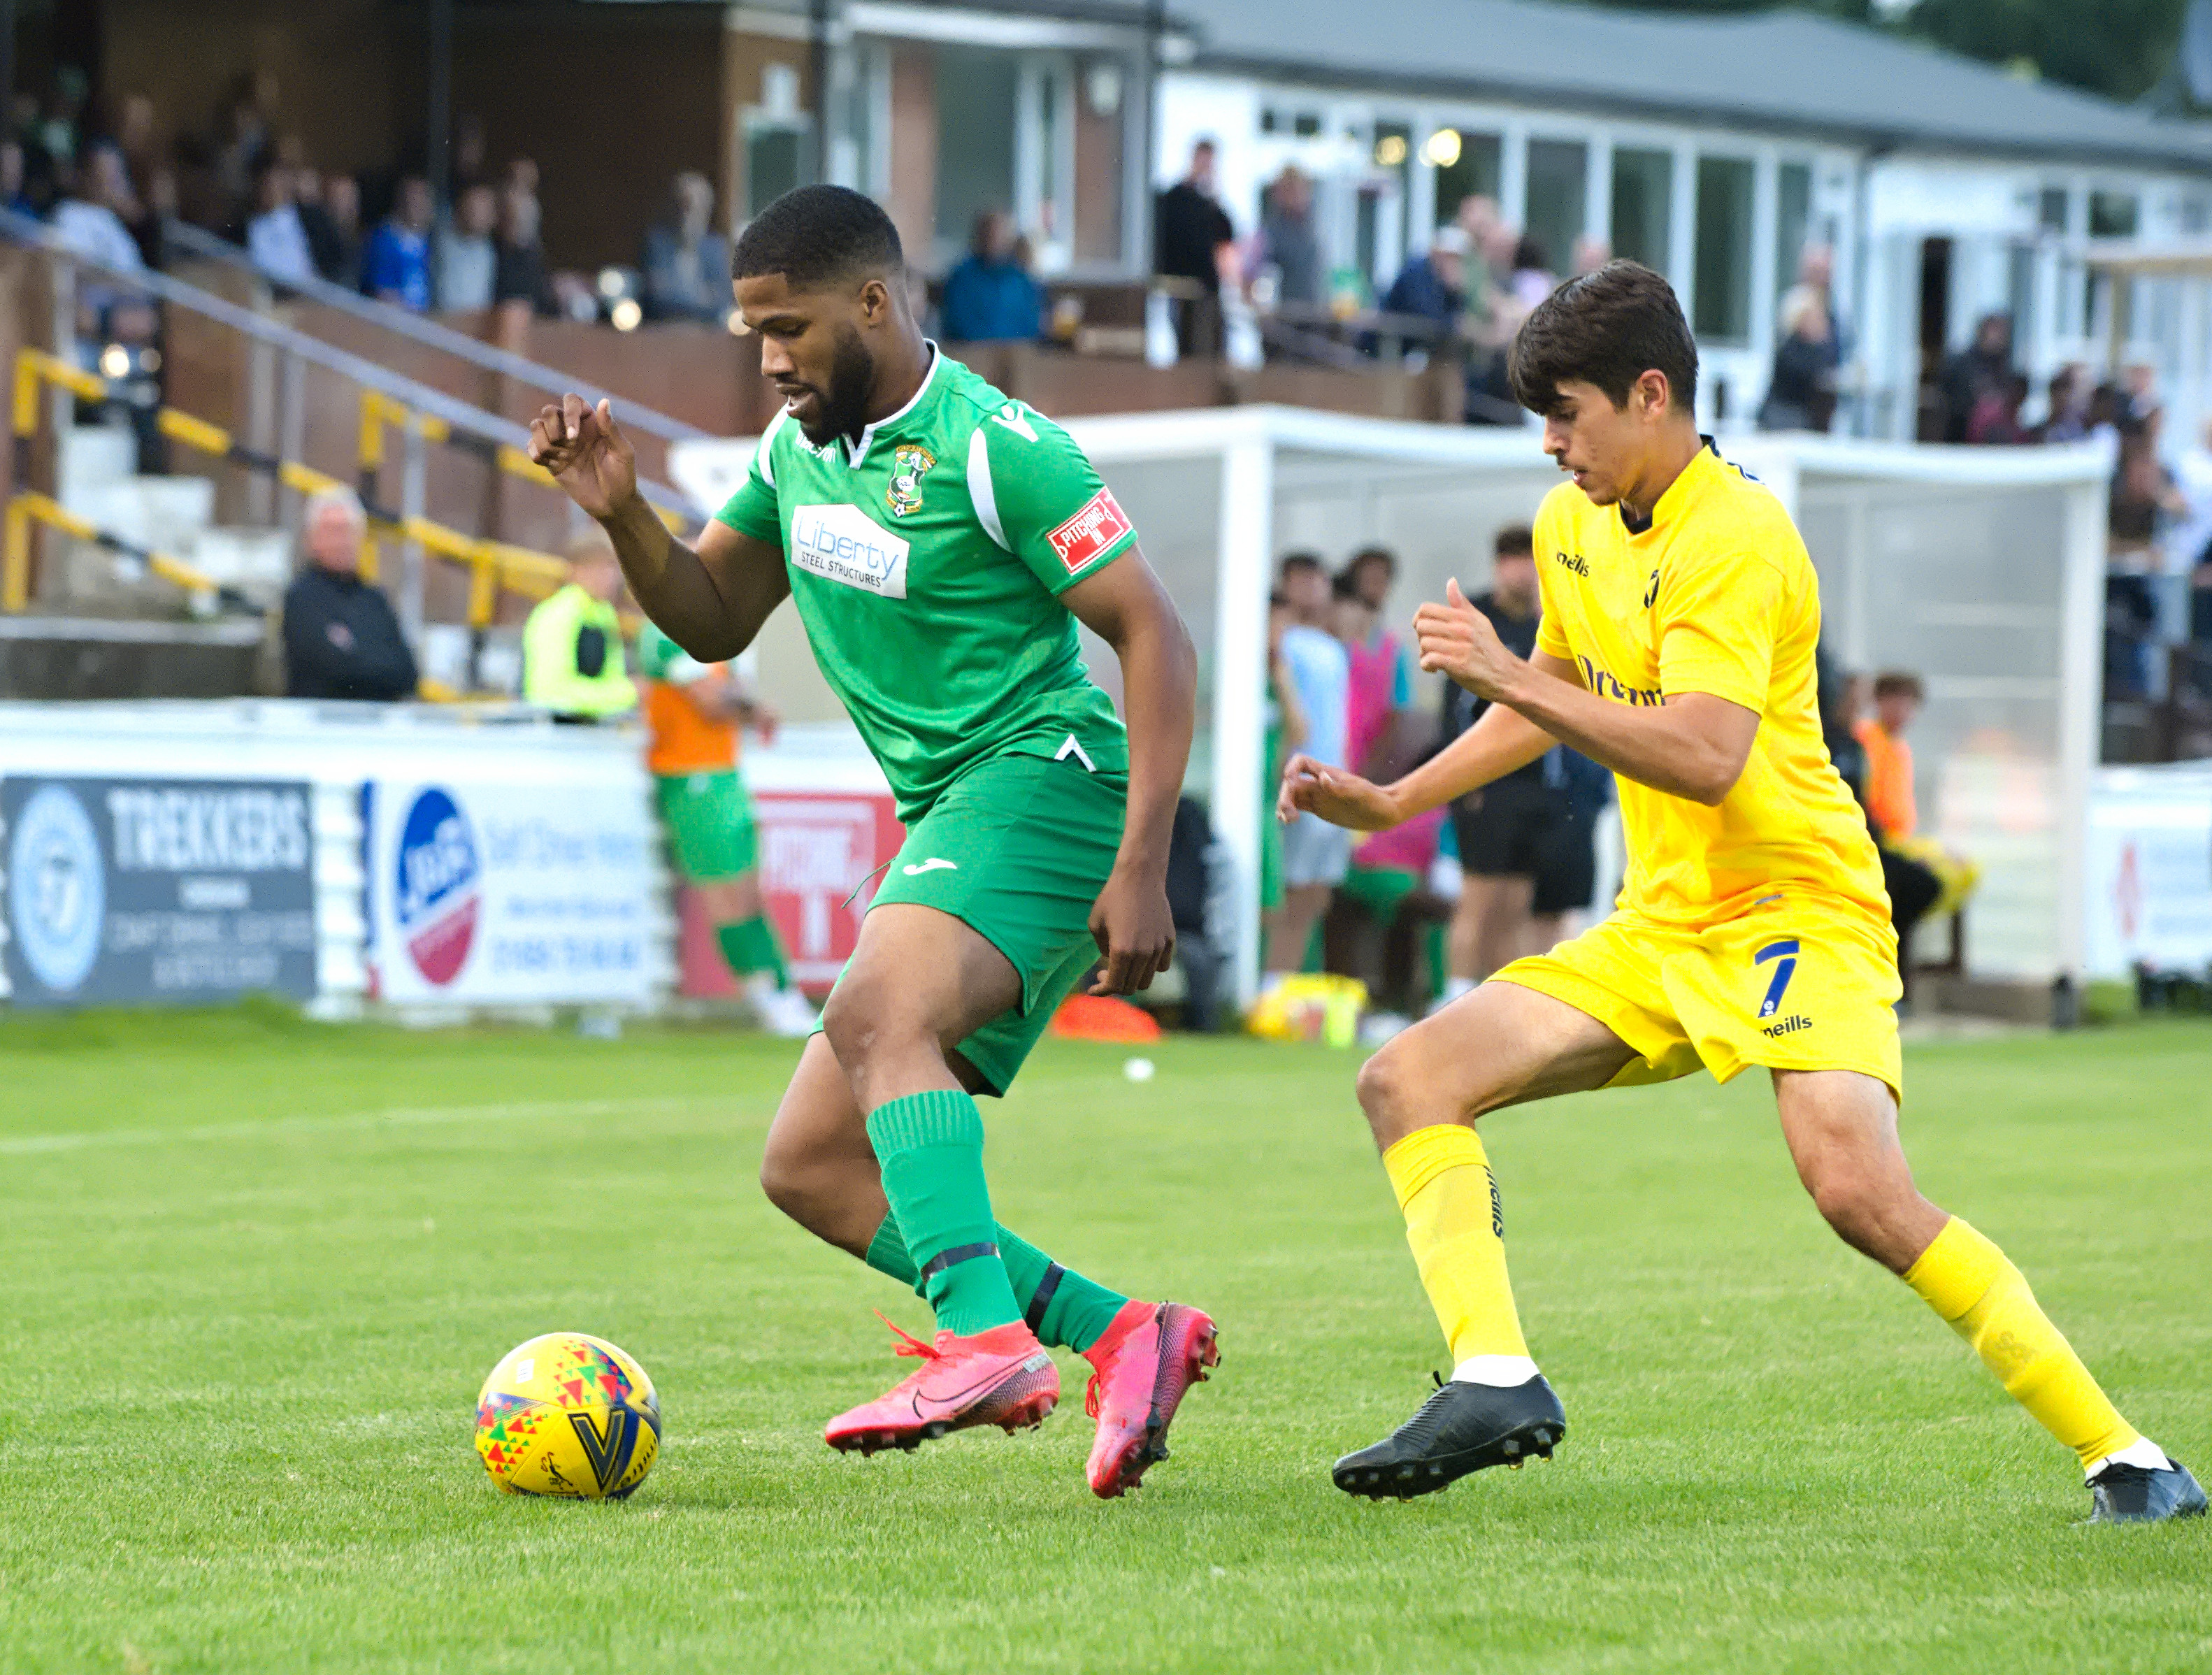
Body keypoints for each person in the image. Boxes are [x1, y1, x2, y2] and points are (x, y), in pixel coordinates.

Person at [1279, 259, 2201, 1523]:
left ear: (1649, 394)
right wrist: (1394, 799)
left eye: (1567, 414)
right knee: (1406, 1078)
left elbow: (1705, 754)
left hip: (1796, 909)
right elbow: (1553, 688)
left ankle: (2125, 1457)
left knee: (1856, 1195)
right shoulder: (1569, 525)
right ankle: (1495, 1376)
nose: (1550, 445)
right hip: (1662, 924)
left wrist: (1508, 678)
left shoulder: (1739, 537)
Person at [526, 184, 1217, 1499]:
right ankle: (1128, 1335)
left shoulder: (999, 448)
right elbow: (715, 617)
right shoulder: (797, 454)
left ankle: (981, 1341)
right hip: (956, 808)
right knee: (811, 1167)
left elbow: (1154, 633)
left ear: (874, 302)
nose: (770, 360)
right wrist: (621, 514)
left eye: (786, 329)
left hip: (1045, 777)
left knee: (874, 1009)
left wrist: (1143, 862)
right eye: (752, 336)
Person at [634, 616, 818, 1037]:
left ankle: (783, 992)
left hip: (727, 773)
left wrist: (741, 701)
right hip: (688, 778)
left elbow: (735, 699)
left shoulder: (720, 634)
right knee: (726, 898)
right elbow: (714, 704)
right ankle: (762, 995)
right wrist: (747, 703)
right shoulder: (664, 632)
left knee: (750, 895)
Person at [1430, 524, 1573, 1007]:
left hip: (1537, 786)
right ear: (1498, 564)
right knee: (1478, 900)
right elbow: (1453, 709)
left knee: (1515, 906)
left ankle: (1496, 1005)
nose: (1524, 570)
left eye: (1531, 559)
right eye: (1514, 558)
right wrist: (1462, 777)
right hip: (1486, 783)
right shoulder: (1476, 619)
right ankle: (1451, 999)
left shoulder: (1544, 626)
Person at [1265, 552, 1351, 979]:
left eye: (1318, 578)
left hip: (1332, 782)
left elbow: (1339, 722)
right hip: (1294, 782)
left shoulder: (1332, 647)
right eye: (1300, 578)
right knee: (1284, 889)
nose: (1311, 587)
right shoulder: (1278, 642)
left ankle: (1287, 987)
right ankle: (1267, 984)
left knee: (1315, 894)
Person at [1855, 670, 1978, 927]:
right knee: (1928, 879)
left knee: (1967, 870)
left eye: (1909, 705)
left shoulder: (1900, 747)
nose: (1902, 711)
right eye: (1896, 702)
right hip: (1879, 838)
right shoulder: (1865, 739)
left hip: (1901, 839)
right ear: (1879, 702)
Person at [280, 487, 418, 701]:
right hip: (318, 726)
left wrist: (356, 657)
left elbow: (407, 674)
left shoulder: (374, 600)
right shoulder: (301, 598)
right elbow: (329, 669)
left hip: (376, 726)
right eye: (332, 530)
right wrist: (377, 664)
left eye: (347, 530)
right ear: (312, 538)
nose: (341, 541)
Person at [522, 538, 638, 721]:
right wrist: (629, 693)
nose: (610, 577)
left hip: (587, 730)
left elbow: (612, 678)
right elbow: (549, 692)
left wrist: (625, 693)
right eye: (599, 569)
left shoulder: (604, 614)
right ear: (574, 571)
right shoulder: (558, 613)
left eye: (613, 568)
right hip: (552, 730)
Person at [1155, 138, 1235, 358]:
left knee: (1209, 349)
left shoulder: (1213, 208)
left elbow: (1225, 245)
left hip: (1207, 291)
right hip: (1181, 289)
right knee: (1188, 349)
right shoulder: (1174, 199)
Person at [938, 210, 1042, 343]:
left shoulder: (1021, 279)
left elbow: (1032, 322)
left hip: (1017, 353)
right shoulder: (962, 278)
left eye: (1001, 233)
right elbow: (957, 322)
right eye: (990, 233)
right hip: (971, 353)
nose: (995, 239)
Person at [641, 171, 731, 323]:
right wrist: (700, 297)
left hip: (707, 333)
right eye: (686, 206)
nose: (690, 215)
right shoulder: (657, 244)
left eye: (698, 207)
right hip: (663, 329)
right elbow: (657, 298)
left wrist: (678, 294)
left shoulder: (716, 248)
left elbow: (721, 300)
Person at [1758, 285, 1841, 433]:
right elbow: (1811, 373)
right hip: (1785, 419)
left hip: (1800, 419)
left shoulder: (1806, 346)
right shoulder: (1791, 347)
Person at [1379, 225, 1468, 345]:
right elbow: (1428, 318)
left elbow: (1454, 316)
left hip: (1412, 343)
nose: (1452, 263)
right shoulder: (1416, 271)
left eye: (1456, 258)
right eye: (1448, 256)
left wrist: (1454, 291)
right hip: (1388, 343)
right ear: (1435, 252)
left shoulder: (1442, 277)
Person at [361, 174, 433, 310]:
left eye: (423, 198)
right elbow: (383, 294)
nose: (418, 204)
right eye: (413, 199)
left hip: (428, 320)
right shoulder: (384, 239)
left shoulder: (430, 239)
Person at [1939, 312, 2011, 444]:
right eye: (1996, 331)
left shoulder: (2002, 365)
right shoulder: (1963, 364)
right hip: (1963, 436)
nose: (2000, 338)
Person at [245, 161, 315, 287]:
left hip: (315, 291)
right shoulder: (256, 226)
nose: (273, 190)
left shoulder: (309, 217)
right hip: (277, 294)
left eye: (278, 184)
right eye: (268, 186)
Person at [1260, 164, 1322, 309]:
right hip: (1283, 316)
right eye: (1292, 191)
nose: (1299, 197)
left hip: (1311, 313)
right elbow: (1250, 275)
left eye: (1302, 190)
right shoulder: (1270, 232)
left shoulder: (1310, 228)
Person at [434, 182, 498, 312]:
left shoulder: (489, 251)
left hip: (474, 324)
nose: (477, 212)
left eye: (485, 207)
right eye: (473, 205)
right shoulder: (440, 240)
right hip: (440, 321)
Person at [301, 170, 363, 287]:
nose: (347, 204)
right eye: (341, 197)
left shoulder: (364, 241)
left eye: (351, 197)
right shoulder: (315, 236)